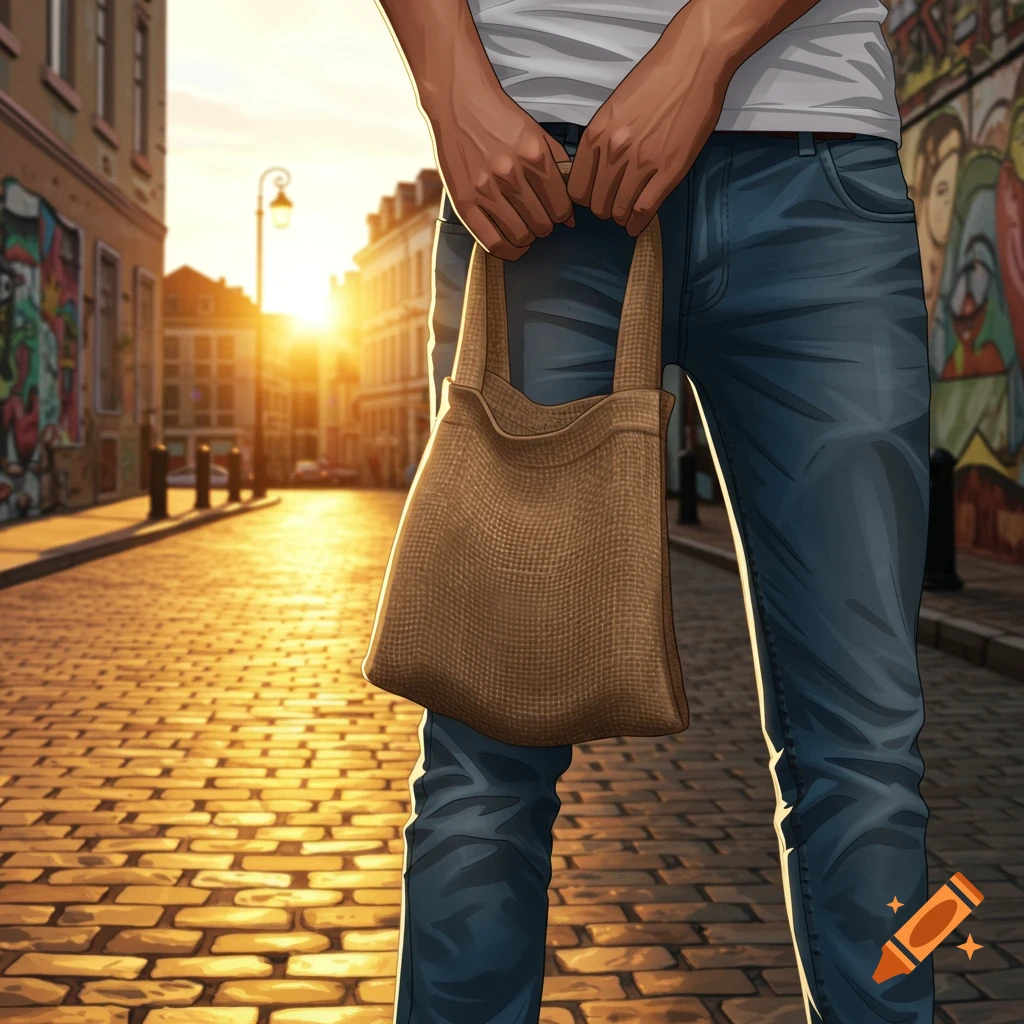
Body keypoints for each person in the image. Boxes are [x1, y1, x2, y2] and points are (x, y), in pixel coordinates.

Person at [376, 2, 933, 1023]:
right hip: (535, 164)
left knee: (866, 751)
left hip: (820, 164)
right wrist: (450, 87)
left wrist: (706, 43)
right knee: (485, 747)